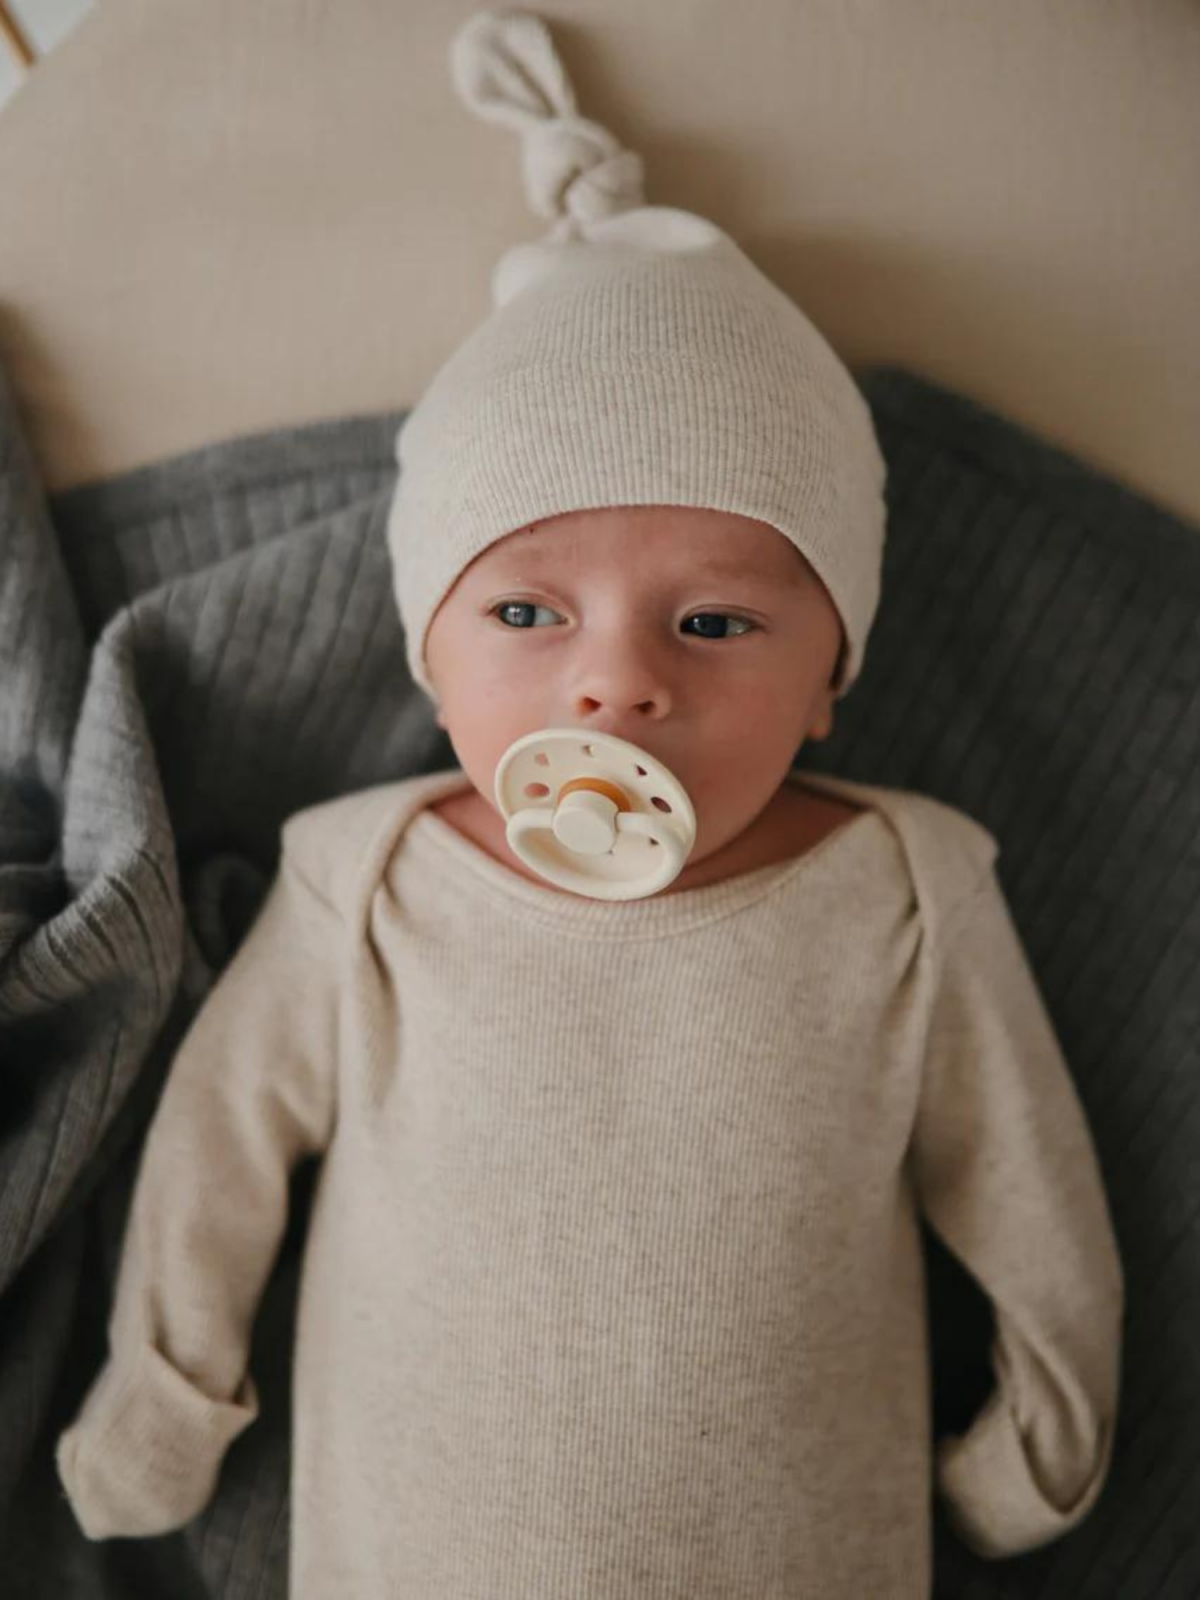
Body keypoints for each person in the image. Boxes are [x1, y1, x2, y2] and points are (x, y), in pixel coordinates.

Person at [55, 11, 1124, 1596]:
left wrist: (1039, 1448)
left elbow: (1031, 1191)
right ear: (430, 662)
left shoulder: (904, 886)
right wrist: (162, 1403)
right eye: (526, 616)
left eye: (714, 624)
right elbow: (219, 1145)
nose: (615, 687)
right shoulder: (369, 879)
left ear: (834, 675)